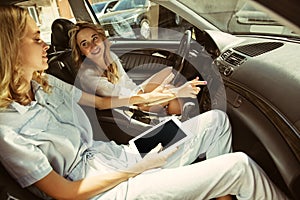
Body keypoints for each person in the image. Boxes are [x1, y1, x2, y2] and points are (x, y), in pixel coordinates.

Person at [0, 5, 289, 200]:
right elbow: (66, 193)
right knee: (239, 167)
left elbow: (101, 103)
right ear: (11, 47)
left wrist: (148, 97)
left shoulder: (44, 83)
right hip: (103, 189)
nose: (46, 45)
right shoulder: (5, 128)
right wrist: (137, 168)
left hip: (117, 155)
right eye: (36, 38)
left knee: (216, 121)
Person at [69, 21, 203, 115]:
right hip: (129, 105)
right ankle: (178, 114)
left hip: (134, 93)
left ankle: (173, 110)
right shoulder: (88, 76)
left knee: (170, 71)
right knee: (173, 92)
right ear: (81, 51)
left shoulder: (111, 56)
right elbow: (122, 96)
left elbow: (127, 83)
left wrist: (145, 91)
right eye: (85, 44)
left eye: (95, 38)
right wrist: (152, 95)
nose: (93, 46)